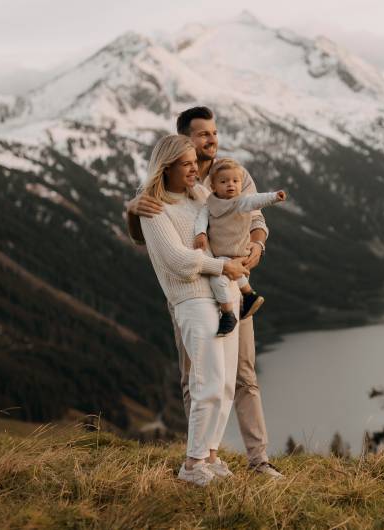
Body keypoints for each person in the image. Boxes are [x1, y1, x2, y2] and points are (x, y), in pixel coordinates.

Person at [127, 106, 283, 477]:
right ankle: (196, 457)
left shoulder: (221, 179)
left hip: (229, 288)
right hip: (196, 292)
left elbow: (253, 214)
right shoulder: (167, 192)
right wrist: (132, 209)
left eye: (214, 133)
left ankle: (241, 458)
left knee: (235, 376)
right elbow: (154, 241)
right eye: (202, 135)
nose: (210, 140)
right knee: (199, 377)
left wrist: (255, 248)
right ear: (183, 143)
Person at [137, 134, 248, 486]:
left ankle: (211, 455)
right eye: (186, 164)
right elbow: (177, 261)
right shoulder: (154, 208)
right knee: (207, 383)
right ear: (166, 168)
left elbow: (232, 213)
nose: (194, 169)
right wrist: (222, 267)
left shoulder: (200, 195)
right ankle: (192, 464)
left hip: (226, 294)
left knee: (227, 383)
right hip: (193, 299)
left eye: (194, 162)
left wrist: (252, 244)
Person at [193, 157, 287, 336]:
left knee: (217, 280)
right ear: (213, 187)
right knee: (236, 273)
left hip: (235, 251)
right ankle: (249, 294)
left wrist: (274, 197)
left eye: (235, 181)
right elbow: (201, 218)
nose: (231, 185)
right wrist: (201, 233)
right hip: (221, 251)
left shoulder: (242, 202)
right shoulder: (211, 203)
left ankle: (227, 313)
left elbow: (257, 200)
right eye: (224, 181)